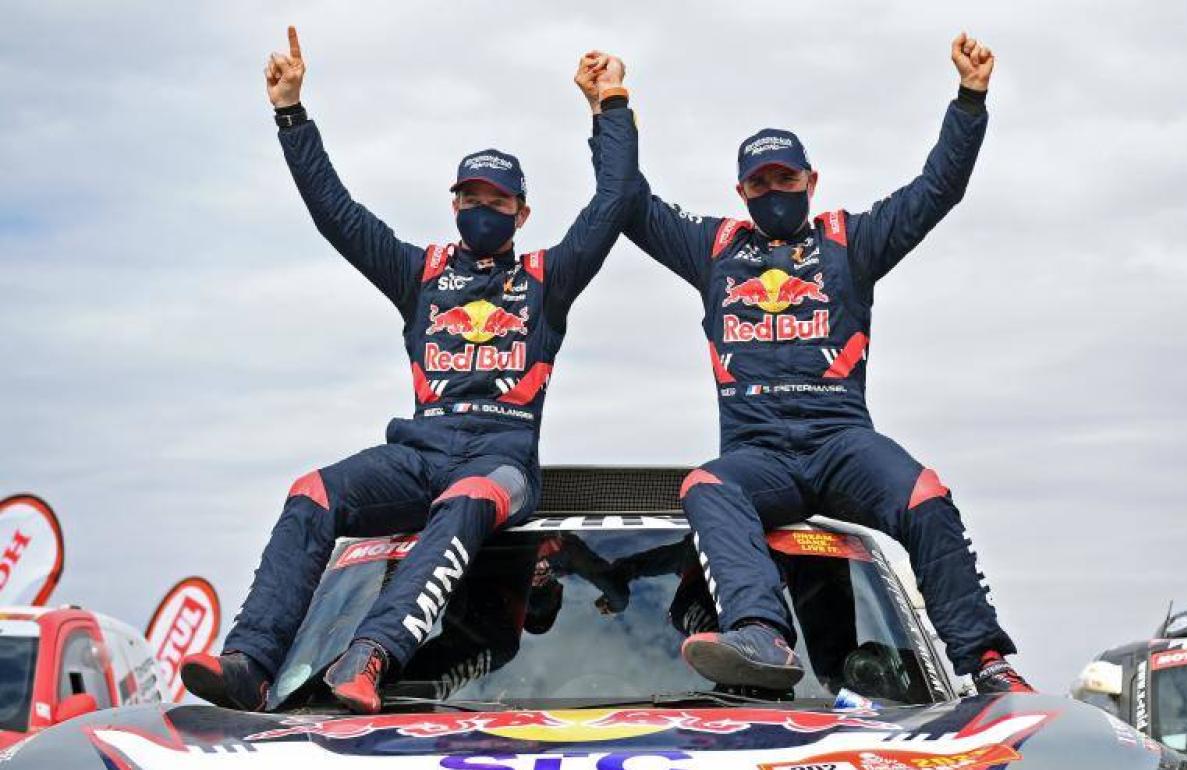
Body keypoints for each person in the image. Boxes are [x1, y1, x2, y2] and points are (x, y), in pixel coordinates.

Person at [181, 28, 638, 714]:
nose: (482, 210)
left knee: (468, 500)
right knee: (312, 491)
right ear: (454, 205)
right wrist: (291, 114)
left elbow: (613, 203)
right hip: (419, 454)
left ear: (522, 213)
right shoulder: (420, 274)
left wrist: (610, 106)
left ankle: (371, 655)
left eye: (497, 201)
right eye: (471, 198)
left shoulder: (548, 279)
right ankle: (251, 662)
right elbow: (337, 215)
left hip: (501, 460)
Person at [614, 33, 1032, 693]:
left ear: (812, 181)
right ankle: (761, 634)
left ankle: (987, 663)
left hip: (842, 444)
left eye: (786, 178)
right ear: (740, 190)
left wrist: (969, 100)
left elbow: (937, 189)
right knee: (706, 486)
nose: (774, 190)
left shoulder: (850, 242)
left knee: (925, 495)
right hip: (759, 456)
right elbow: (629, 205)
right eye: (760, 181)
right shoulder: (713, 248)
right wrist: (610, 109)